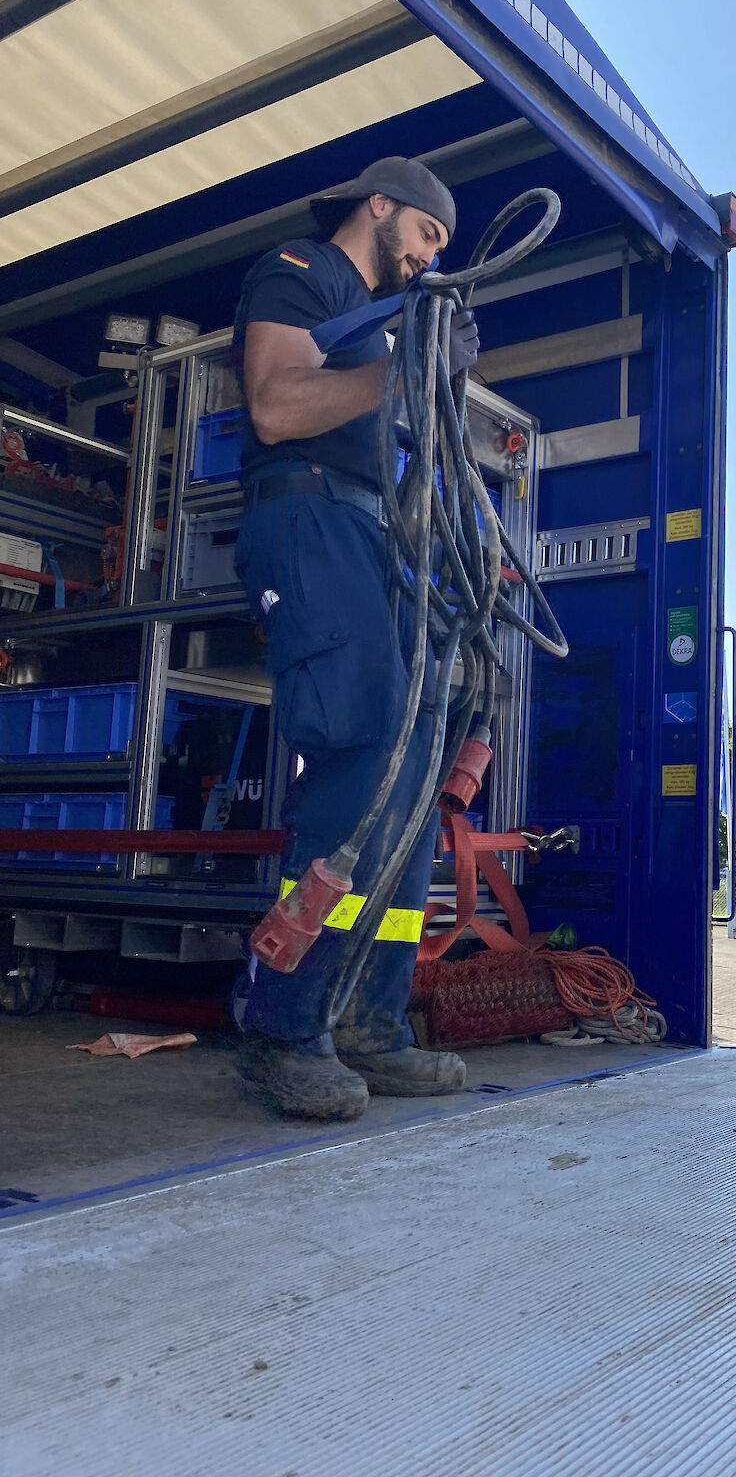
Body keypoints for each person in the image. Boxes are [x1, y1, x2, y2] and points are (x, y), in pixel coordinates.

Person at [231, 157, 480, 1122]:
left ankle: (372, 1020)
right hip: (307, 522)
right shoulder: (299, 271)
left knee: (417, 763)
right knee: (361, 744)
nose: (426, 259)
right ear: (380, 205)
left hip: (376, 532)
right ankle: (282, 1025)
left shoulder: (387, 316)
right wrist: (399, 373)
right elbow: (277, 406)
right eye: (425, 235)